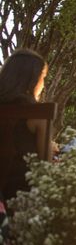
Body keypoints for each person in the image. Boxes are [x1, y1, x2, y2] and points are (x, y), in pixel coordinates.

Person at [0, 49, 50, 204]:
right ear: (33, 79)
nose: (43, 84)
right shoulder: (38, 114)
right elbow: (46, 168)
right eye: (43, 77)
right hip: (20, 196)